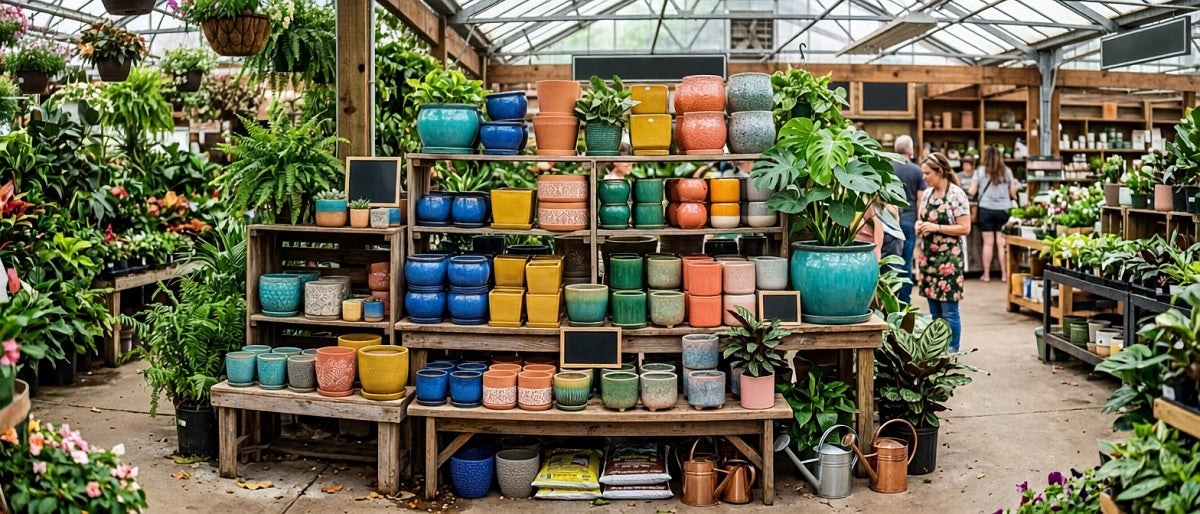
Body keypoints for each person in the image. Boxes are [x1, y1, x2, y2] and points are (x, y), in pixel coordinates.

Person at [916, 152, 971, 352]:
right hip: (929, 259)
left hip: (949, 260)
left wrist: (936, 228)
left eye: (927, 173)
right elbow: (922, 219)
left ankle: (952, 350)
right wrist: (919, 225)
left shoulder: (957, 195)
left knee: (949, 311)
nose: (924, 177)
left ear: (939, 171)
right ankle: (937, 349)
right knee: (935, 312)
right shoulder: (927, 194)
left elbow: (965, 228)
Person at [968, 145, 1018, 282]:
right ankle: (1004, 275)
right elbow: (1013, 193)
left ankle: (986, 275)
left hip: (986, 209)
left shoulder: (980, 171)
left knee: (988, 243)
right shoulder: (1007, 171)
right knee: (1001, 243)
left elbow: (972, 191)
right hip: (1004, 210)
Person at [891, 135, 925, 306]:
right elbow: (920, 200)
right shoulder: (917, 171)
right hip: (909, 219)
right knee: (906, 260)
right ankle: (904, 301)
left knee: (890, 260)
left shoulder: (888, 167)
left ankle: (890, 300)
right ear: (910, 150)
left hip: (890, 220)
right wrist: (919, 220)